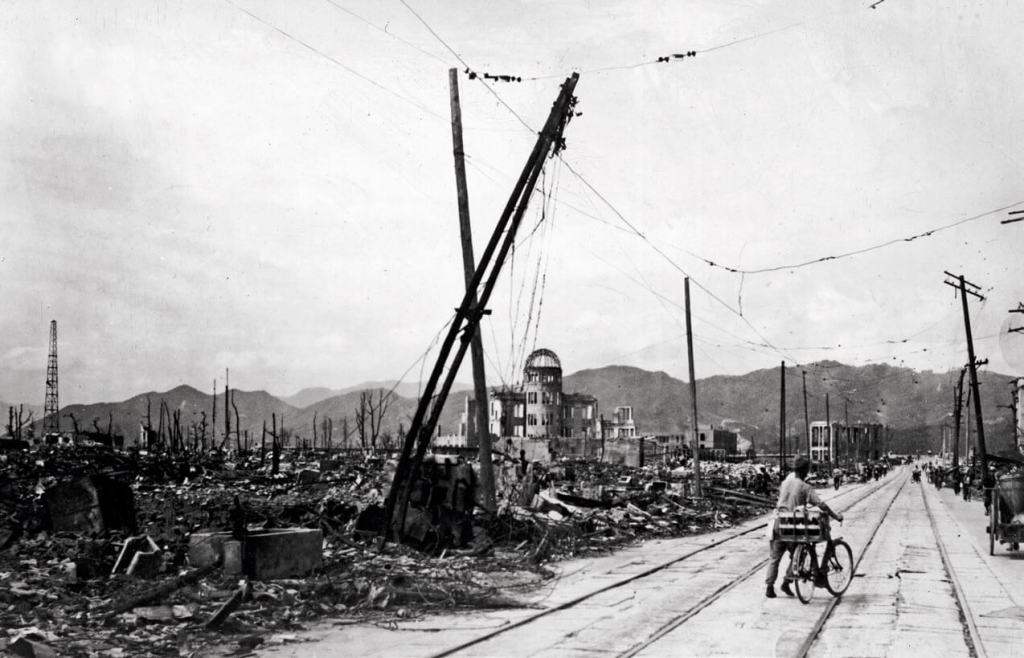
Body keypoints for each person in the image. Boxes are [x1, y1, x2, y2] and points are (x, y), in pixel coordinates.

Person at [765, 455, 844, 598]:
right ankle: (786, 582)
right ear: (805, 470)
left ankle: (769, 587)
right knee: (798, 556)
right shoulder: (805, 487)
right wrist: (835, 516)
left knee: (774, 557)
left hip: (778, 522)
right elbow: (821, 505)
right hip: (792, 526)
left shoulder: (784, 483)